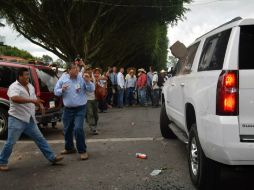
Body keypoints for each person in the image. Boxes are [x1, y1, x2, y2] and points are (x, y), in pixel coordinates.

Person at [0, 68, 63, 171]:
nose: (28, 77)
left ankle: (52, 158)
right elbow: (15, 99)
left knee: (40, 139)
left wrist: (40, 106)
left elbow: (34, 100)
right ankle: (2, 162)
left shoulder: (30, 86)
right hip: (16, 119)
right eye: (26, 75)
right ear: (19, 76)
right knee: (10, 142)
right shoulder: (14, 87)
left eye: (28, 75)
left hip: (29, 119)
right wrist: (32, 100)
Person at [54, 63, 95, 160]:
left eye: (77, 68)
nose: (77, 70)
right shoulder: (63, 78)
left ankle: (82, 150)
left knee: (78, 129)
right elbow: (56, 91)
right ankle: (69, 148)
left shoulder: (82, 78)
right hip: (68, 109)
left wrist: (88, 81)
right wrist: (62, 90)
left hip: (80, 108)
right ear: (68, 70)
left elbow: (91, 90)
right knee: (67, 129)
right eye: (74, 68)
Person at [84, 68, 99, 135]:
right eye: (88, 71)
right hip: (87, 100)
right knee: (90, 113)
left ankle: (94, 125)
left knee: (96, 115)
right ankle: (93, 128)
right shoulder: (83, 79)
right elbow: (87, 88)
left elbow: (93, 88)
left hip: (94, 99)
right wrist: (86, 80)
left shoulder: (93, 78)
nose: (89, 72)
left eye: (90, 71)